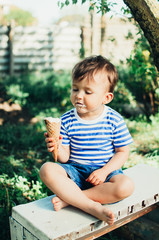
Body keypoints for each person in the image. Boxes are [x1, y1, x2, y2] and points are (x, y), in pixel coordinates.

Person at [39, 55, 134, 225]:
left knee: (126, 186)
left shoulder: (114, 120)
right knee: (47, 169)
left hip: (105, 173)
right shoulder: (66, 120)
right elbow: (65, 158)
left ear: (107, 98)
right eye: (75, 89)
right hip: (75, 171)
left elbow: (122, 151)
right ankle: (91, 206)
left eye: (87, 92)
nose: (79, 96)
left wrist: (104, 171)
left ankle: (72, 199)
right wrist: (56, 147)